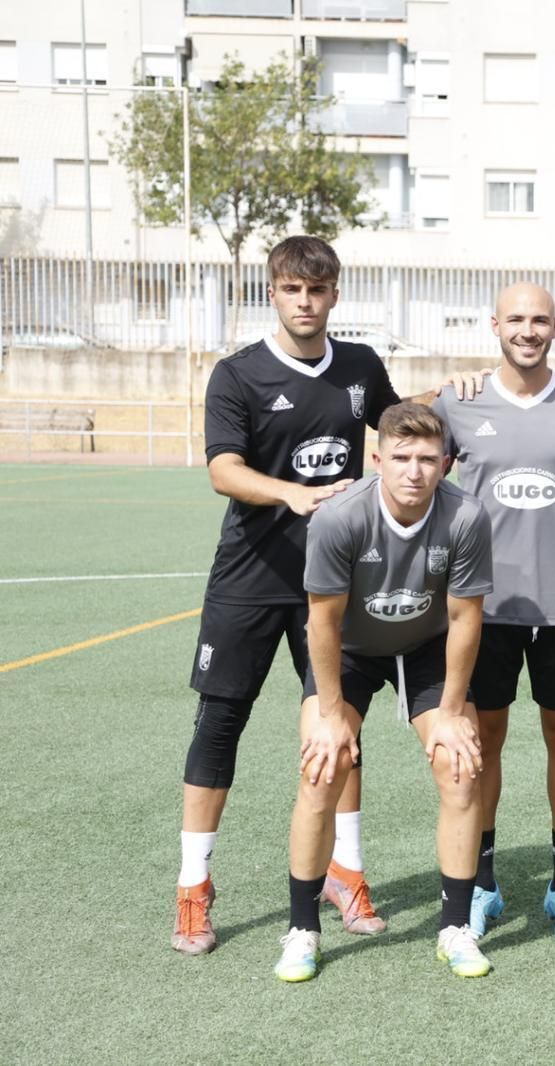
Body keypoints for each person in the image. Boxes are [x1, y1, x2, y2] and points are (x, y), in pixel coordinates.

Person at [174, 235, 406, 954]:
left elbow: (400, 426)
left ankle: (347, 872)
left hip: (333, 586)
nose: (305, 302)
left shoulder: (361, 365)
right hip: (249, 580)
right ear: (272, 292)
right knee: (220, 725)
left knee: (341, 729)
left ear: (335, 294)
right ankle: (193, 887)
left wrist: (456, 393)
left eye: (318, 289)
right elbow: (223, 470)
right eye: (292, 289)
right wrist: (292, 494)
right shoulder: (237, 373)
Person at [275, 402, 495, 982]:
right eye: (401, 457)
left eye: (427, 459)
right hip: (351, 649)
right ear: (377, 460)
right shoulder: (339, 518)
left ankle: (455, 927)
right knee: (322, 768)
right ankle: (302, 929)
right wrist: (330, 714)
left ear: (446, 463)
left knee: (460, 768)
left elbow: (465, 618)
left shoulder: (467, 516)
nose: (414, 471)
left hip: (427, 647)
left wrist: (452, 711)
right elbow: (322, 622)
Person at [432, 282, 555, 941]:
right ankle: (482, 883)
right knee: (481, 740)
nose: (528, 330)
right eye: (515, 319)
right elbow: (411, 461)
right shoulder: (458, 402)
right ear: (494, 325)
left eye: (539, 319)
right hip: (481, 609)